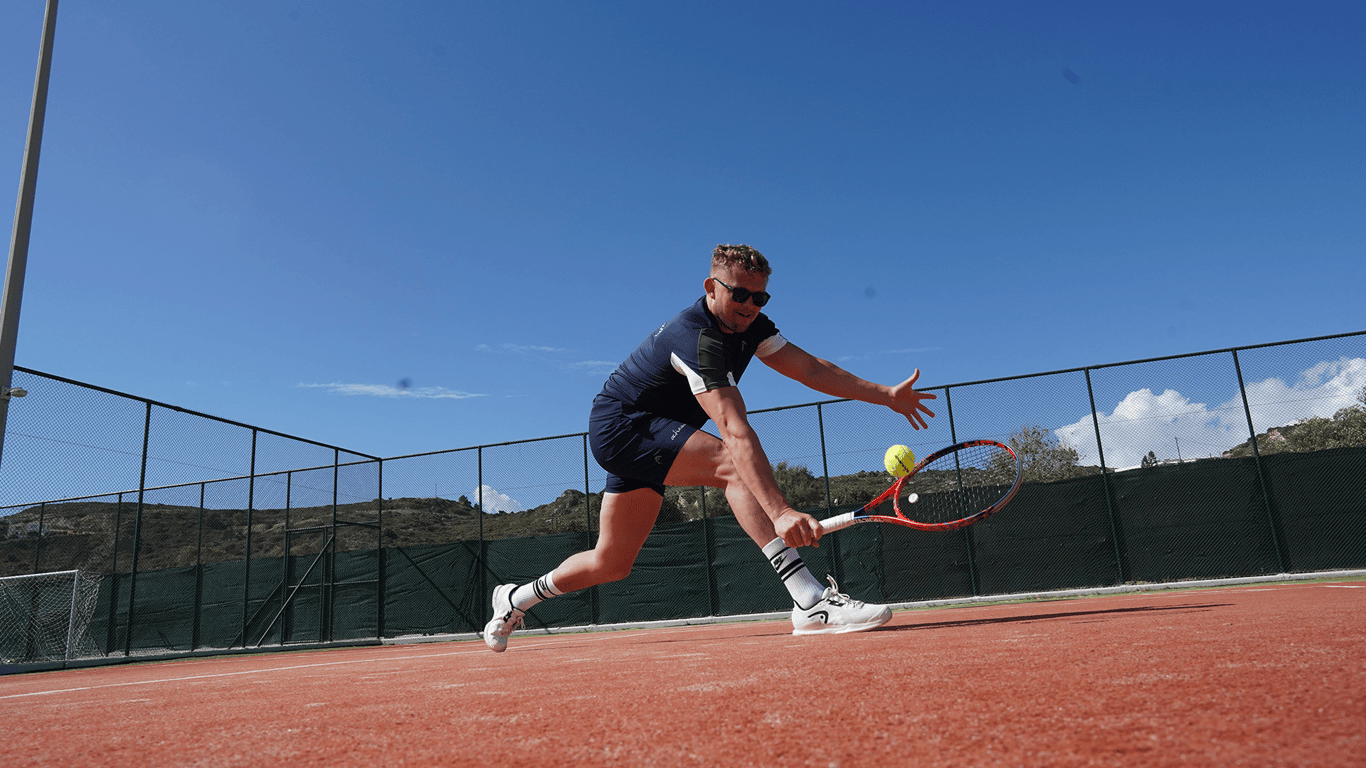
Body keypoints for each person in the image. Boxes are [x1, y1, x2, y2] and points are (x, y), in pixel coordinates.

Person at [483, 244, 937, 651]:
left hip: (651, 434)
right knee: (732, 464)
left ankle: (515, 597)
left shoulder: (752, 327)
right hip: (622, 428)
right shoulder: (697, 339)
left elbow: (811, 369)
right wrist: (779, 511)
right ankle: (810, 601)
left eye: (760, 297)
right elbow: (733, 429)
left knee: (611, 562)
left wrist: (886, 395)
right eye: (739, 294)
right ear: (711, 287)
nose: (749, 306)